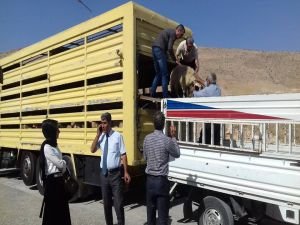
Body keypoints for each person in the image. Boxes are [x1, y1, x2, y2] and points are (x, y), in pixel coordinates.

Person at [90, 112, 131, 225]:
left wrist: (126, 172)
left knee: (118, 203)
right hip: (104, 175)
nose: (102, 125)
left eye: (104, 123)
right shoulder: (101, 137)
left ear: (110, 123)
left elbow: (123, 155)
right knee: (106, 204)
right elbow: (92, 149)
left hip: (115, 175)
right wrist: (97, 135)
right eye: (101, 123)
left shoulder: (118, 136)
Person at [143, 111, 180, 225]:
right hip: (161, 181)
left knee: (151, 215)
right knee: (163, 217)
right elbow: (177, 153)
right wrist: (173, 136)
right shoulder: (167, 140)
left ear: (154, 124)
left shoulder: (146, 139)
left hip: (149, 181)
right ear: (164, 125)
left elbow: (145, 157)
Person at [40, 119, 71, 225]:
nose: (59, 131)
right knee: (53, 214)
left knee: (62, 213)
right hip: (52, 183)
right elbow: (60, 164)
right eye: (57, 129)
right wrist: (63, 163)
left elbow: (61, 164)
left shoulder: (55, 145)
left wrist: (62, 164)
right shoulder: (47, 147)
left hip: (59, 182)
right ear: (51, 131)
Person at [151, 24, 185, 98]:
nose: (180, 37)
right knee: (165, 74)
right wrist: (174, 60)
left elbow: (166, 46)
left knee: (158, 73)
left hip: (154, 49)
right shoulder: (173, 34)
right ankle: (165, 96)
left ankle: (152, 93)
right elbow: (170, 48)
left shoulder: (169, 31)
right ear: (178, 30)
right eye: (181, 35)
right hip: (160, 50)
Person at [193, 73, 221, 145]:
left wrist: (192, 89)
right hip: (217, 119)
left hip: (209, 119)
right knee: (215, 140)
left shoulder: (207, 90)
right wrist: (197, 77)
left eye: (206, 80)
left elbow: (196, 94)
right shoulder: (218, 88)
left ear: (208, 81)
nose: (205, 81)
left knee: (205, 138)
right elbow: (204, 83)